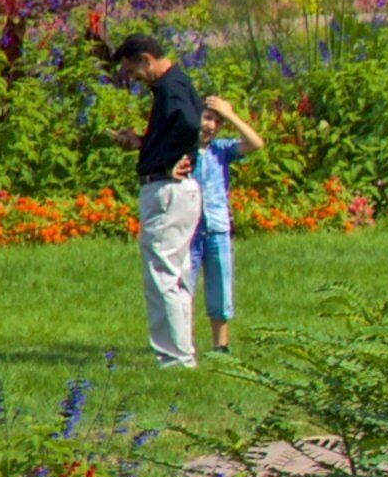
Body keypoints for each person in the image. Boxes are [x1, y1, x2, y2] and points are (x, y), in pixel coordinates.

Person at [99, 34, 220, 370]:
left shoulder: (170, 88)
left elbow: (189, 123)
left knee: (162, 276)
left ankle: (173, 358)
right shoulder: (176, 84)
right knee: (176, 276)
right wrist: (143, 142)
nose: (134, 77)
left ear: (146, 60)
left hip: (167, 190)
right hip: (178, 191)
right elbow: (180, 126)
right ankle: (182, 355)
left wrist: (171, 160)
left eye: (133, 70)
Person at [189, 95, 267, 352]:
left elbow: (256, 143)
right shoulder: (181, 148)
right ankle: (181, 344)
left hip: (217, 230)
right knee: (182, 289)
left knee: (220, 289)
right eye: (207, 117)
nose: (210, 125)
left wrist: (232, 116)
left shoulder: (221, 150)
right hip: (188, 231)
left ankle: (220, 346)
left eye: (217, 121)